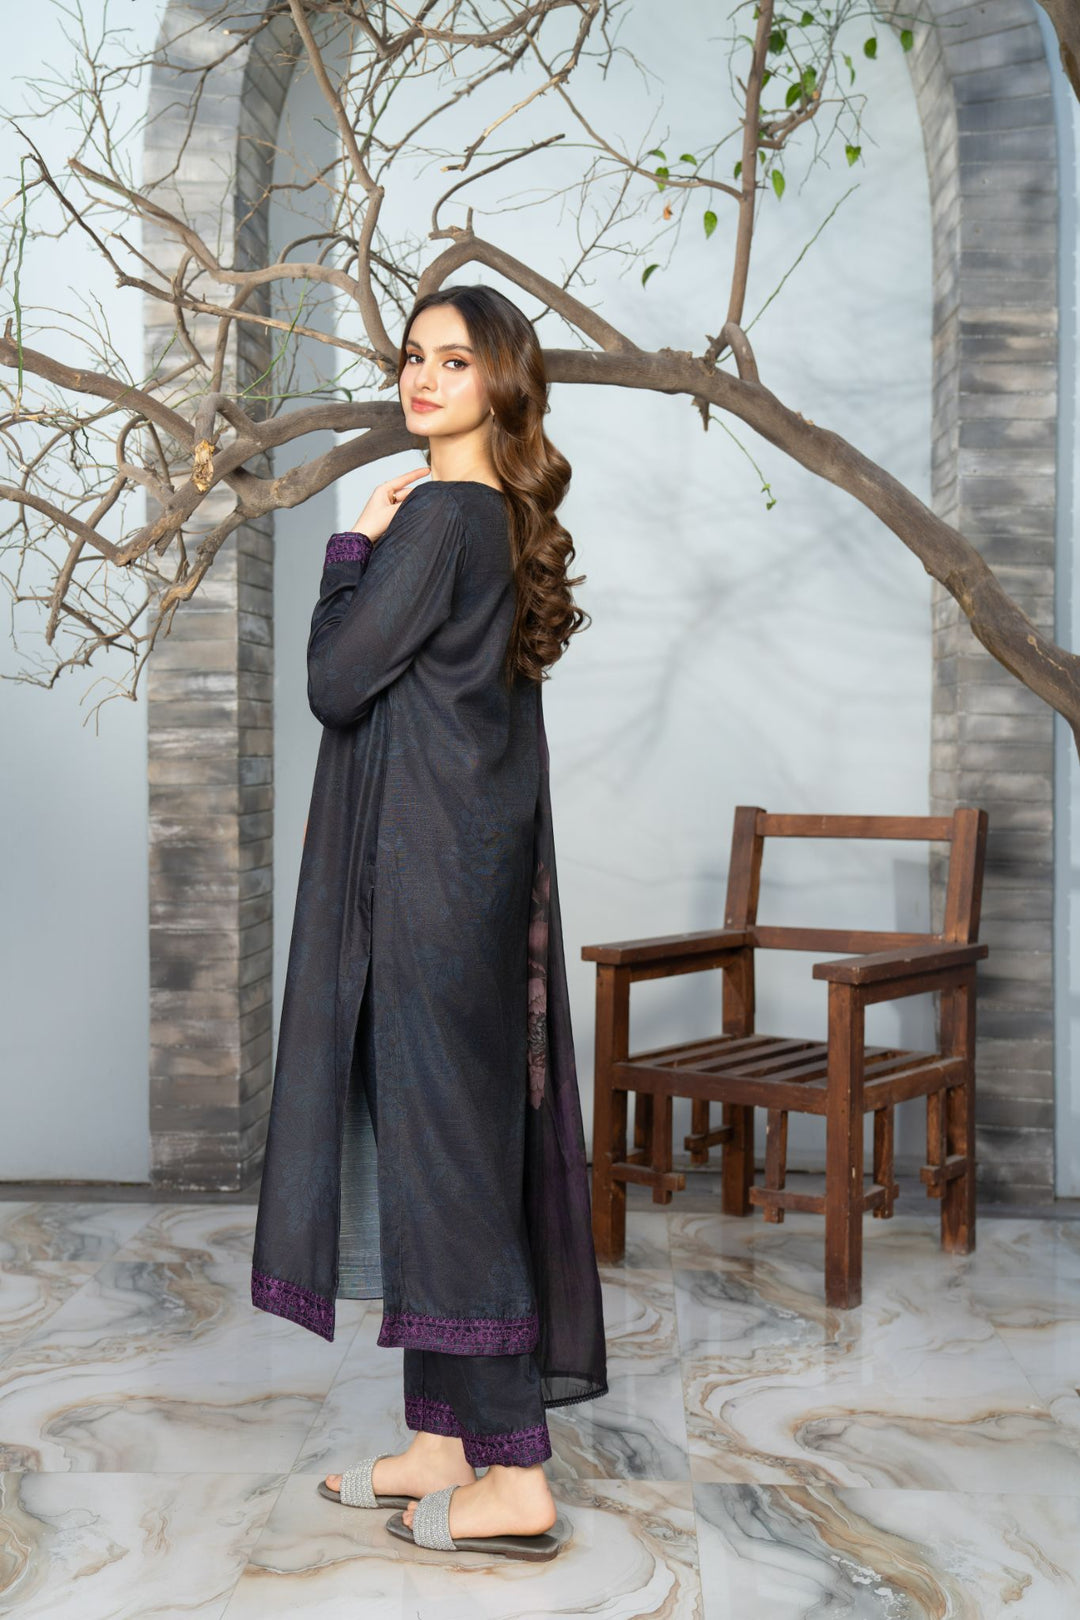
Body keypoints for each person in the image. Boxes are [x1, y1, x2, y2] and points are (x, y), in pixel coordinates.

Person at [250, 284, 608, 1560]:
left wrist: (349, 550)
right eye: (413, 355)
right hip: (466, 879)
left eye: (454, 361)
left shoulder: (443, 516)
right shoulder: (497, 519)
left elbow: (335, 682)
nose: (422, 377)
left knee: (447, 1166)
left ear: (499, 383)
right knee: (438, 1147)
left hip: (424, 887)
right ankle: (442, 1444)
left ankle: (515, 1474)